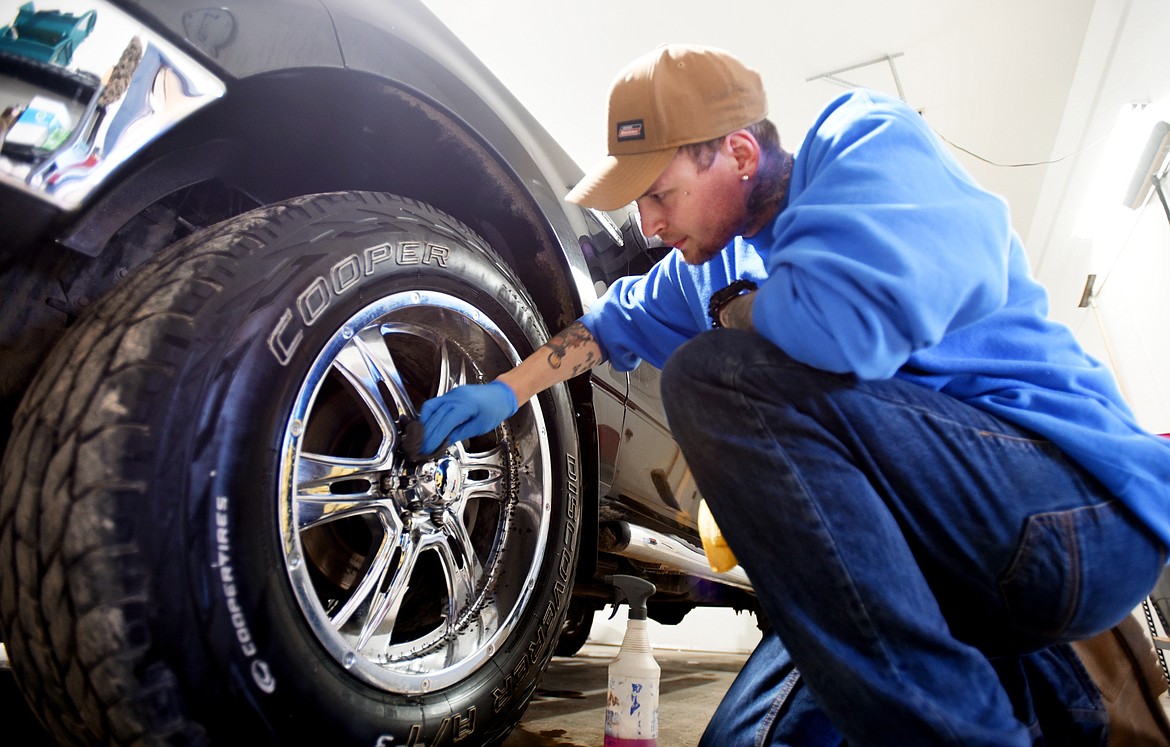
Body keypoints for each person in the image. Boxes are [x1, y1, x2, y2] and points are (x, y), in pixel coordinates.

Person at [415, 44, 1170, 745]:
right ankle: (1054, 699)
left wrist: (739, 314)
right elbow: (607, 325)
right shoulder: (706, 265)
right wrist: (506, 390)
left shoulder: (866, 144)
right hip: (958, 570)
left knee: (713, 375)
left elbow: (847, 329)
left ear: (739, 153)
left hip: (1074, 509)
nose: (647, 222)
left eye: (660, 193)